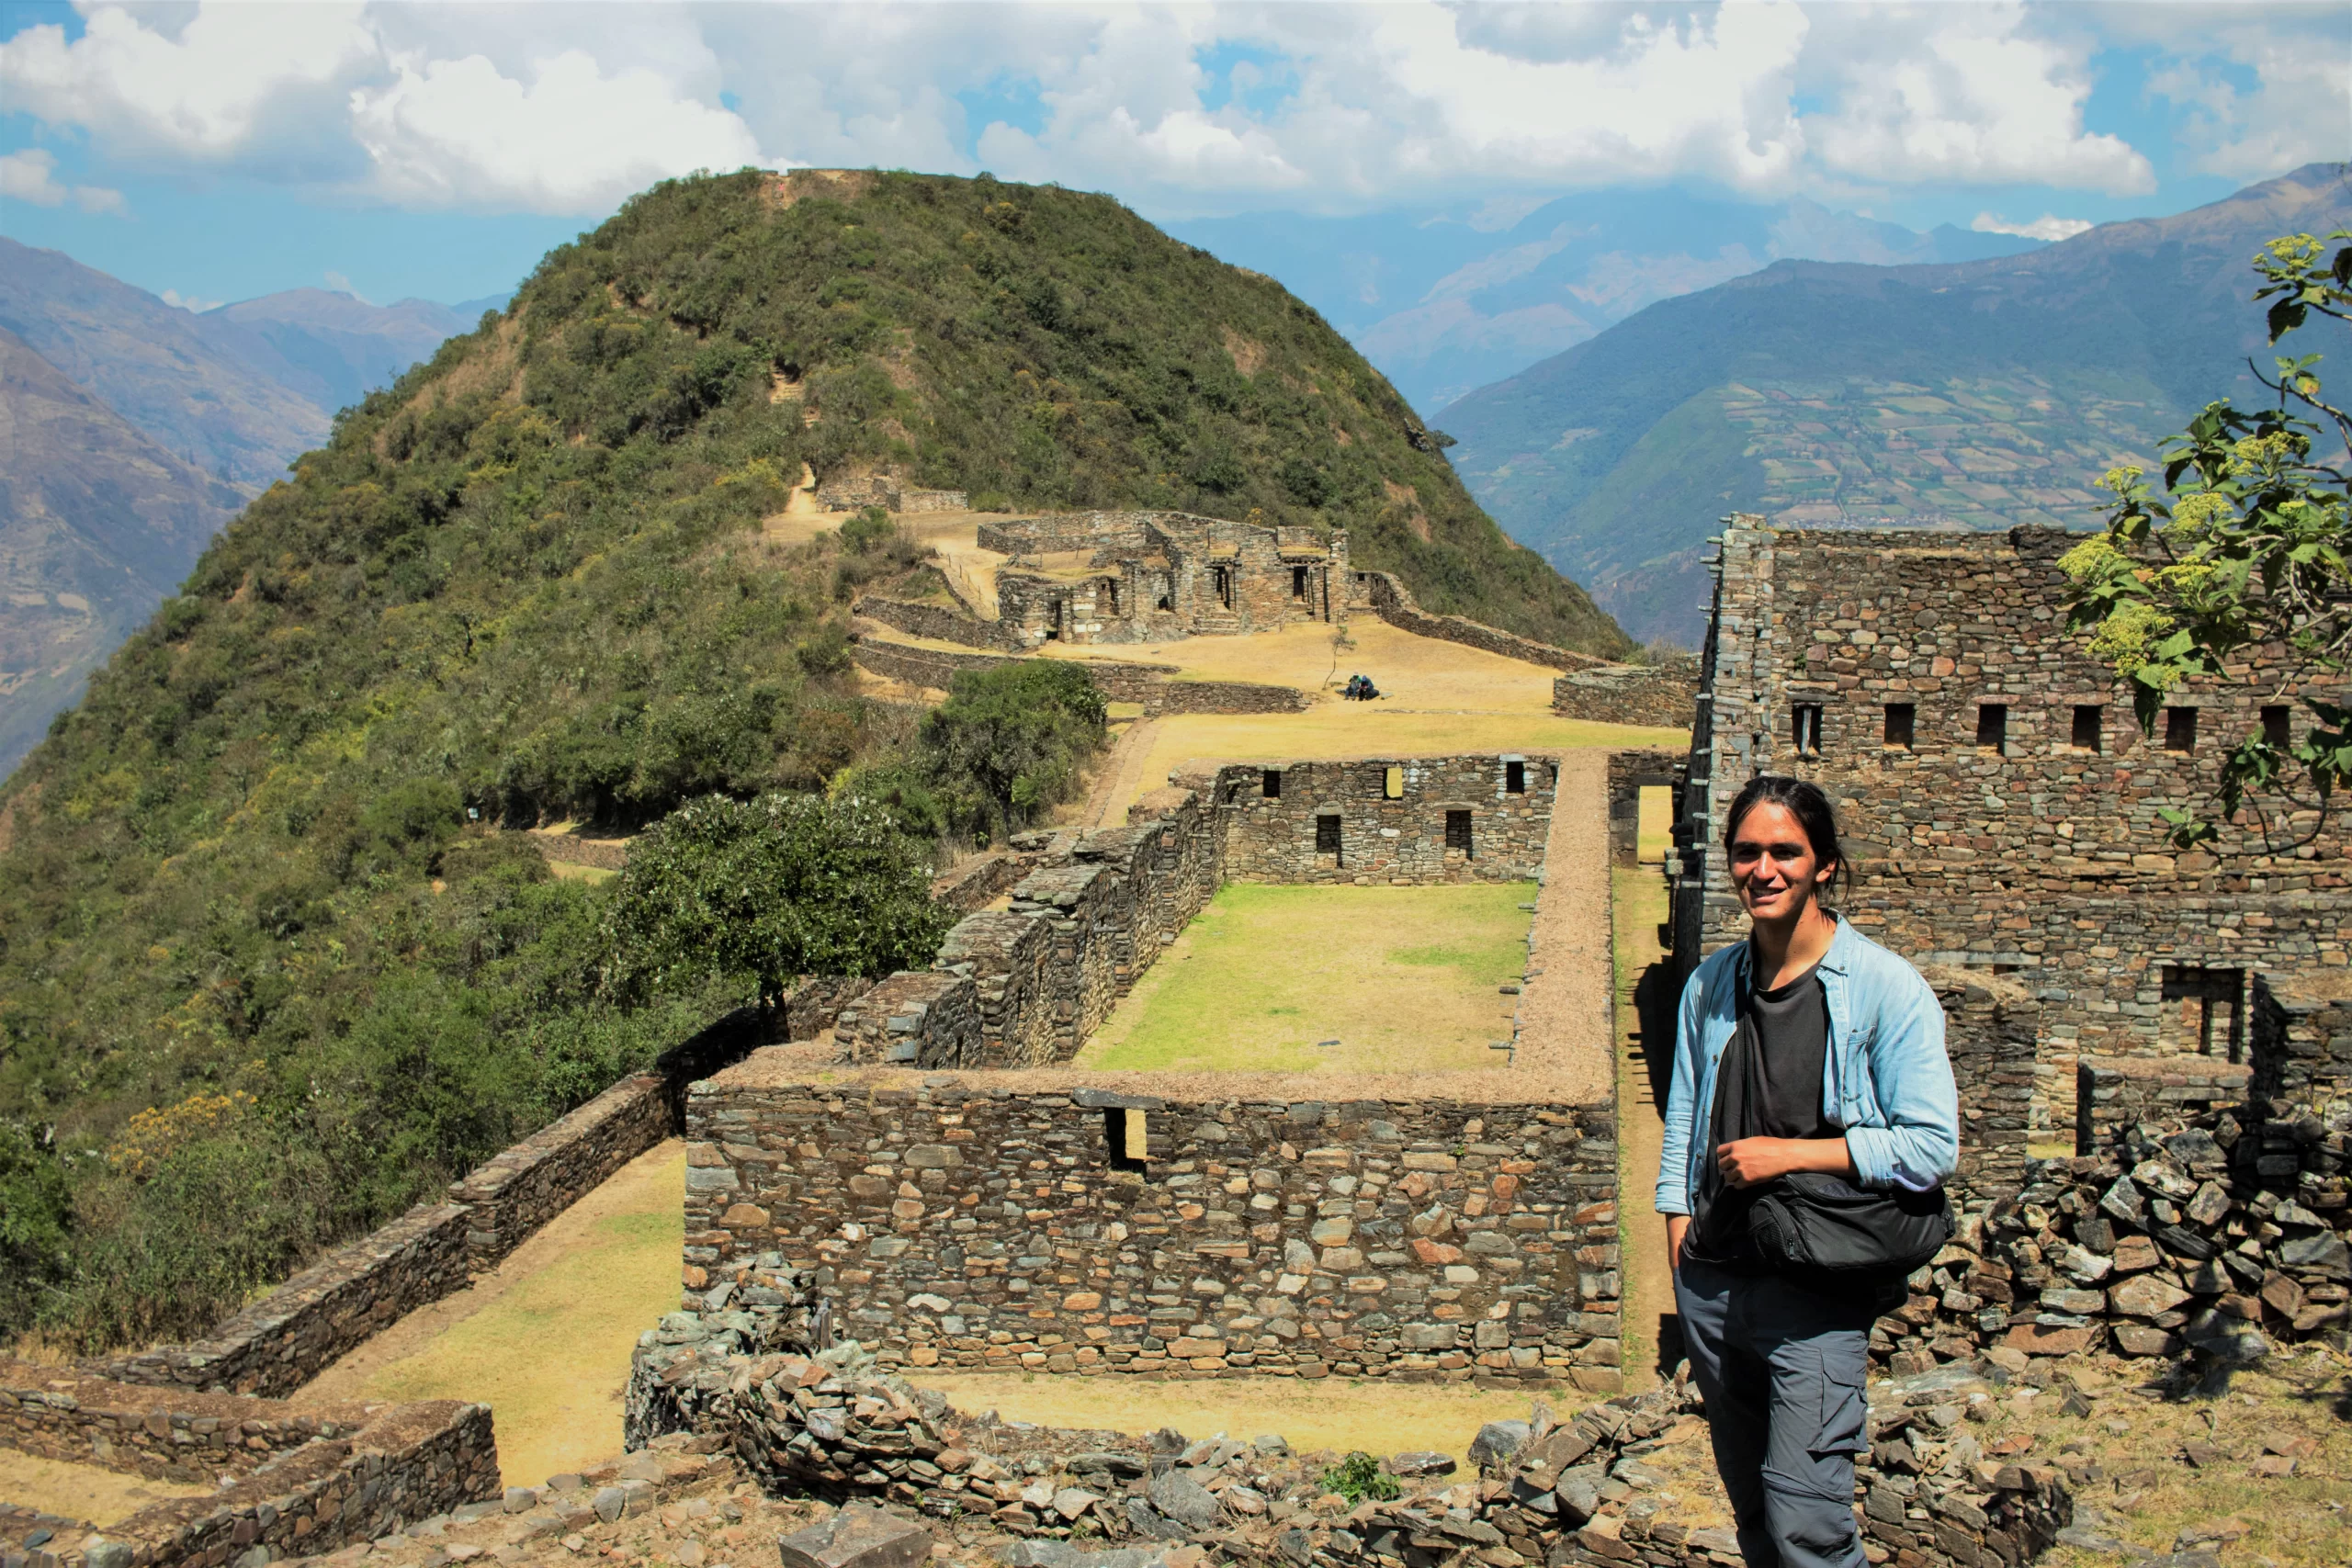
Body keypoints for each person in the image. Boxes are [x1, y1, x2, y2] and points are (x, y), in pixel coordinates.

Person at [1655, 775, 1958, 1568]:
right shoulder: (1711, 984)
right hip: (1717, 1282)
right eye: (1747, 852)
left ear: (1824, 864)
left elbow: (1931, 1145)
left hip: (1817, 1292)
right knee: (1754, 1511)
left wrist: (1791, 1154)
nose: (1764, 869)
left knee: (1808, 1525)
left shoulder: (1887, 990)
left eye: (1785, 851)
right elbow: (1683, 1116)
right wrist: (1678, 1239)